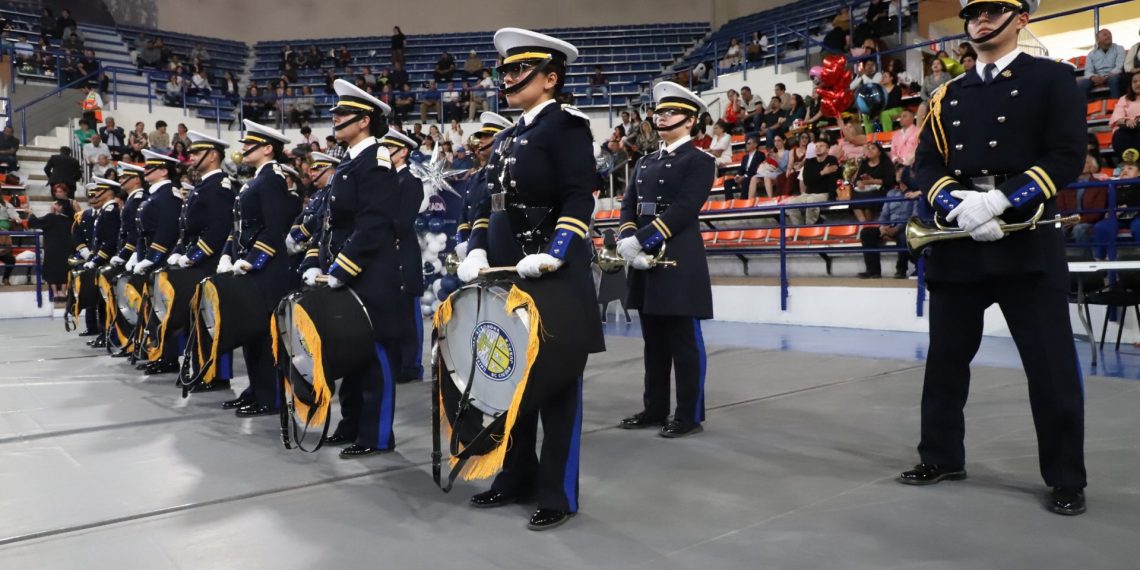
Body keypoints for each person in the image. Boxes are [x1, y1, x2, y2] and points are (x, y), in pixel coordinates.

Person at [903, 0, 1088, 517]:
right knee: (945, 362)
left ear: (1020, 18)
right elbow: (926, 164)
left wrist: (1003, 200)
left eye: (993, 10)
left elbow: (1067, 155)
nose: (980, 21)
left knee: (1050, 367)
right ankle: (940, 456)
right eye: (973, 13)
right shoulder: (947, 93)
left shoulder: (1052, 79)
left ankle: (1066, 477)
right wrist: (956, 205)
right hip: (960, 237)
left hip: (1026, 238)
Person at [455, 27, 604, 531]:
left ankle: (558, 493)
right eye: (506, 70)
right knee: (510, 383)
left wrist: (555, 253)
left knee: (558, 390)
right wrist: (476, 247)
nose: (509, 78)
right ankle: (515, 475)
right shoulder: (504, 138)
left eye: (521, 70)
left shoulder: (567, 126)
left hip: (550, 277)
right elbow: (488, 204)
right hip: (505, 276)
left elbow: (579, 196)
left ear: (550, 77)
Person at [297, 81, 402, 456]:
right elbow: (331, 224)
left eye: (342, 114)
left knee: (374, 358)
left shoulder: (376, 160)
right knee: (350, 353)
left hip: (369, 276)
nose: (335, 119)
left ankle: (376, 436)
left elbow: (374, 224)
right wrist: (316, 262)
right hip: (344, 275)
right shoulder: (350, 162)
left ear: (364, 121)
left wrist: (342, 268)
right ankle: (351, 424)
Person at [617, 81, 715, 439]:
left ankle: (688, 414)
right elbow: (629, 204)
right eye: (658, 112)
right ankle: (654, 407)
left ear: (689, 121)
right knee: (654, 342)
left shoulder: (700, 160)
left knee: (684, 342)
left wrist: (641, 241)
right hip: (644, 261)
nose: (661, 117)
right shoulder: (645, 161)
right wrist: (628, 237)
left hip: (677, 259)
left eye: (670, 112)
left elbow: (684, 209)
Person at [215, 121, 299, 416]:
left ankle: (271, 396)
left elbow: (274, 228)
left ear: (267, 149)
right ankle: (256, 389)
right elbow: (240, 227)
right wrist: (227, 255)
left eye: (250, 144)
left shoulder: (273, 178)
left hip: (267, 270)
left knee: (265, 335)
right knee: (251, 331)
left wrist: (254, 259)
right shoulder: (256, 179)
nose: (244, 149)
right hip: (249, 268)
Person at [170, 131, 239, 389]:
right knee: (197, 320)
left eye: (197, 153)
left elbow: (218, 230)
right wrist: (181, 251)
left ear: (212, 156)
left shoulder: (219, 186)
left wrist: (194, 256)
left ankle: (216, 375)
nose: (191, 157)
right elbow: (189, 228)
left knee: (212, 320)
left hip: (210, 262)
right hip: (198, 263)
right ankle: (200, 370)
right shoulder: (204, 185)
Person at [378, 128, 426, 384]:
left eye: (389, 148)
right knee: (392, 315)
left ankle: (411, 366)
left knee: (408, 315)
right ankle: (396, 364)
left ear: (403, 152)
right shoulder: (384, 181)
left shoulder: (410, 181)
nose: (384, 153)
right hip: (387, 257)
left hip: (402, 254)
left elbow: (402, 222)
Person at [129, 150, 184, 374]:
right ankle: (158, 353)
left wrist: (153, 258)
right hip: (150, 255)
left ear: (163, 171)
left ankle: (168, 357)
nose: (145, 171)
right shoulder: (155, 195)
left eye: (151, 168)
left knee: (163, 311)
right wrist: (139, 255)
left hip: (163, 258)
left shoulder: (168, 195)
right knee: (154, 310)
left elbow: (167, 230)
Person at [858, 170, 918, 279]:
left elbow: (914, 216)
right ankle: (873, 271)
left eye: (901, 172)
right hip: (889, 226)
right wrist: (882, 227)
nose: (898, 174)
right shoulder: (891, 193)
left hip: (905, 227)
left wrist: (897, 229)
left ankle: (901, 269)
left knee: (903, 236)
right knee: (866, 233)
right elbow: (884, 214)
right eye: (897, 172)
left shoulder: (915, 193)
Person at [28, 199, 74, 300]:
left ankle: (55, 293)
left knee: (51, 268)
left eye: (56, 203)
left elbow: (34, 223)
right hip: (67, 247)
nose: (53, 204)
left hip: (52, 247)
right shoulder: (70, 219)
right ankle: (63, 292)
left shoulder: (51, 217)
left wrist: (31, 214)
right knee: (65, 268)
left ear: (60, 207)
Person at [788, 139, 840, 225]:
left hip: (823, 193)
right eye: (816, 146)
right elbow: (807, 181)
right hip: (808, 193)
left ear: (827, 149)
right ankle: (798, 228)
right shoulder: (809, 162)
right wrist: (822, 173)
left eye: (821, 146)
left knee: (811, 202)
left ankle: (810, 227)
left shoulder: (832, 160)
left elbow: (833, 179)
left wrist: (832, 197)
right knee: (791, 205)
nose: (818, 148)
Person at [1078, 28, 1125, 100]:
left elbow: (1119, 66)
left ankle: (1115, 104)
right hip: (1097, 77)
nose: (1108, 36)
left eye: (1109, 34)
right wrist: (1093, 77)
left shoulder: (1119, 48)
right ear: (1098, 39)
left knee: (1114, 80)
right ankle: (1084, 106)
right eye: (1105, 35)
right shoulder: (1091, 54)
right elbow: (1088, 71)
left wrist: (1106, 77)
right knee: (1082, 84)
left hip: (1113, 76)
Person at [1109, 72, 1140, 157]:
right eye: (1134, 81)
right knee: (1120, 134)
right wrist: (1126, 121)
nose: (1138, 84)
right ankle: (1128, 160)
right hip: (1127, 129)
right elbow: (1117, 117)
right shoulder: (1124, 98)